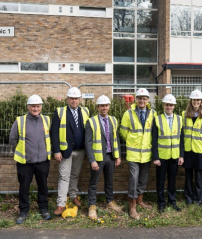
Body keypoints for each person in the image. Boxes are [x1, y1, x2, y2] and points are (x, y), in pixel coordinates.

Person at [9, 94, 51, 224]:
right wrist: (22, 152)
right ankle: (23, 211)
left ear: (41, 107)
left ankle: (43, 208)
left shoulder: (47, 120)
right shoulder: (20, 121)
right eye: (33, 106)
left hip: (43, 161)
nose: (35, 108)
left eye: (38, 106)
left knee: (43, 187)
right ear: (28, 106)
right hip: (25, 162)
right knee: (24, 187)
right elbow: (12, 139)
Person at [51, 87, 90, 216]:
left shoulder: (85, 111)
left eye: (76, 98)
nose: (74, 101)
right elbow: (54, 133)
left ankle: (73, 195)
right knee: (64, 176)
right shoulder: (59, 112)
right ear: (67, 99)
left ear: (80, 100)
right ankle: (61, 203)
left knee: (75, 175)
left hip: (80, 150)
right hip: (65, 151)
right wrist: (56, 151)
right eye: (72, 98)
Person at [120, 88, 157, 220]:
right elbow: (123, 132)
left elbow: (154, 133)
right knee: (133, 180)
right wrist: (132, 141)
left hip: (146, 153)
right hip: (134, 153)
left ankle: (140, 200)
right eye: (140, 98)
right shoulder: (128, 113)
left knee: (143, 178)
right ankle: (132, 206)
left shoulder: (153, 113)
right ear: (136, 99)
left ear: (148, 100)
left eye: (144, 98)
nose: (142, 100)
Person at [85, 95, 123, 219]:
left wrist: (117, 156)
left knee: (109, 181)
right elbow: (88, 142)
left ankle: (110, 201)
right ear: (98, 107)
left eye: (106, 105)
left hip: (110, 156)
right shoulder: (91, 121)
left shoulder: (113, 120)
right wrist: (92, 160)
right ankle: (92, 205)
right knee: (93, 183)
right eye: (102, 106)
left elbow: (115, 139)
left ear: (109, 107)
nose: (104, 108)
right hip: (98, 158)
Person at [152, 94, 184, 213]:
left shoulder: (180, 119)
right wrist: (155, 157)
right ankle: (161, 203)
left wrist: (181, 155)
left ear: (174, 106)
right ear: (163, 105)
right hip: (161, 157)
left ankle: (172, 201)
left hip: (174, 156)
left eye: (171, 105)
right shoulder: (157, 119)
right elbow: (154, 140)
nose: (169, 107)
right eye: (167, 105)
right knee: (160, 181)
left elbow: (181, 139)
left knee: (172, 181)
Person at [182, 89, 202, 206]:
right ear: (191, 101)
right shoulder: (184, 115)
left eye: (198, 100)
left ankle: (198, 199)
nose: (196, 102)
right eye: (194, 99)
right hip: (188, 151)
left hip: (200, 151)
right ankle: (188, 198)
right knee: (188, 177)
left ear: (201, 101)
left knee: (199, 177)